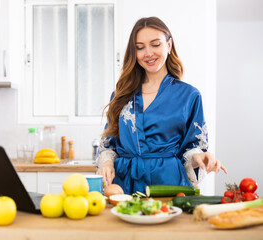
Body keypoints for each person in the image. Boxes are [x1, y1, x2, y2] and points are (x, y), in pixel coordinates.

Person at [96, 17, 227, 194]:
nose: (148, 53)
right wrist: (106, 162)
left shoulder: (189, 95)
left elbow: (192, 146)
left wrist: (199, 157)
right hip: (123, 185)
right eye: (140, 47)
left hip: (168, 185)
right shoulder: (121, 95)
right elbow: (109, 144)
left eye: (155, 44)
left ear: (169, 45)